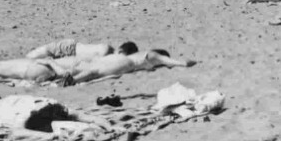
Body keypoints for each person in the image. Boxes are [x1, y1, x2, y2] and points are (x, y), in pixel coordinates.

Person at [66, 48, 196, 83]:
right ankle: (73, 80)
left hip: (121, 60)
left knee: (94, 68)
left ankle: (70, 76)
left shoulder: (146, 61)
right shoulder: (153, 55)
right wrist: (183, 63)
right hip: (127, 64)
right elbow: (172, 62)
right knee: (96, 72)